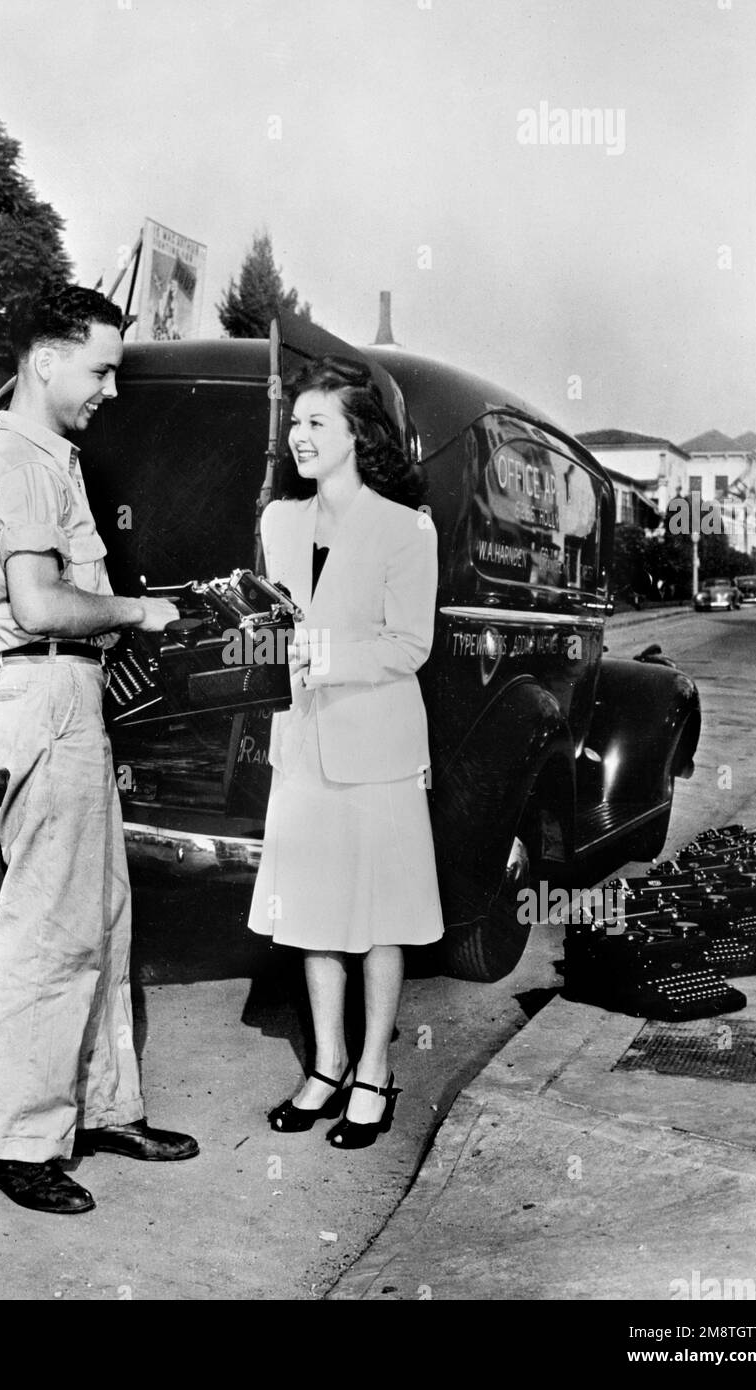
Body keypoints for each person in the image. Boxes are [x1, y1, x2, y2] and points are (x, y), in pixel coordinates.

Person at [0, 284, 198, 1216]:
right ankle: (15, 1142)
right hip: (44, 682)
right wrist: (138, 610)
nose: (110, 389)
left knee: (100, 915)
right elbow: (41, 607)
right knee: (48, 932)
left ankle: (97, 1109)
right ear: (45, 359)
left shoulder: (51, 457)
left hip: (67, 689)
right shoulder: (19, 465)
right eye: (99, 369)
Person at [247, 356, 443, 1149]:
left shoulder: (406, 527)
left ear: (357, 435)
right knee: (313, 919)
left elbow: (412, 644)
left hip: (379, 749)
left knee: (379, 920)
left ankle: (373, 1073)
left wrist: (324, 657)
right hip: (301, 746)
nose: (298, 435)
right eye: (293, 423)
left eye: (315, 422)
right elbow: (269, 630)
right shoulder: (278, 523)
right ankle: (325, 1067)